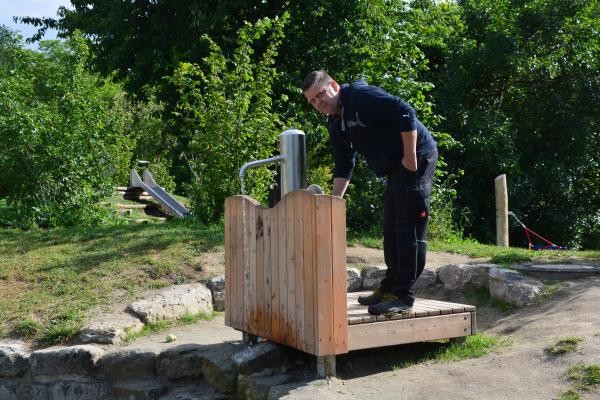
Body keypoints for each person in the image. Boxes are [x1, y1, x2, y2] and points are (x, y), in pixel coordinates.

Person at [301, 70, 438, 315]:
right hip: (396, 167)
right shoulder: (336, 123)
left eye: (320, 94)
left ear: (334, 85)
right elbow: (344, 164)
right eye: (312, 100)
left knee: (408, 228)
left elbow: (405, 112)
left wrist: (410, 157)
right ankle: (388, 289)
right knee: (390, 228)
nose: (318, 102)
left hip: (417, 156)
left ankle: (403, 297)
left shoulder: (358, 96)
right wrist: (334, 203)